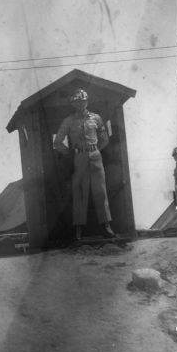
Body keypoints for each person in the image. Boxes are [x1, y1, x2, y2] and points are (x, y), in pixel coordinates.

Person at [53, 88, 115, 241]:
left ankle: (106, 227)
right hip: (78, 157)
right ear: (73, 104)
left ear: (87, 101)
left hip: (95, 156)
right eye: (78, 101)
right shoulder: (68, 121)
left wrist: (94, 150)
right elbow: (57, 142)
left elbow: (105, 139)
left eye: (84, 101)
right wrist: (71, 153)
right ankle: (78, 230)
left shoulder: (97, 118)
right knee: (80, 192)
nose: (81, 104)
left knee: (100, 191)